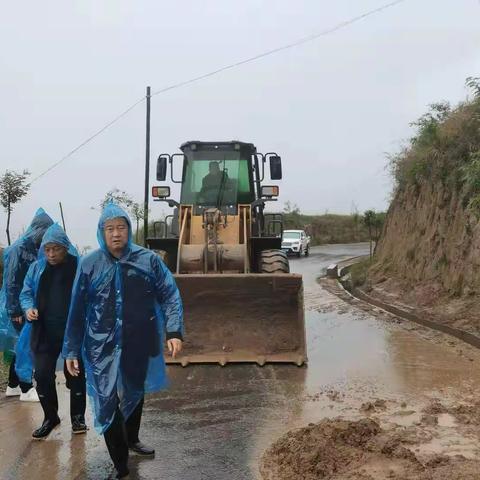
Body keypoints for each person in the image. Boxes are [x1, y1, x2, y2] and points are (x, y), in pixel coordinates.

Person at [62, 203, 184, 479]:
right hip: (99, 344)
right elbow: (76, 310)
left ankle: (132, 438)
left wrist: (174, 331)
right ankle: (120, 465)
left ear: (129, 230)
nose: (116, 234)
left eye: (121, 227)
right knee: (106, 401)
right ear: (101, 233)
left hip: (138, 338)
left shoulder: (148, 260)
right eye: (110, 229)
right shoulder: (89, 264)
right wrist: (70, 349)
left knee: (133, 390)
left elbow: (169, 294)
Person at [19, 223, 87, 439]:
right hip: (44, 332)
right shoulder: (37, 268)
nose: (51, 254)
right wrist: (28, 308)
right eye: (47, 250)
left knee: (76, 374)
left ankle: (78, 417)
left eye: (55, 249)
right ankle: (50, 417)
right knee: (42, 374)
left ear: (65, 247)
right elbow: (26, 292)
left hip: (71, 333)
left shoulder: (78, 267)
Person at [1, 208, 53, 401]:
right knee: (27, 345)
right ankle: (25, 387)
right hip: (18, 307)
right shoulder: (19, 249)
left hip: (27, 305)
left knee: (20, 344)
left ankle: (13, 385)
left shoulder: (36, 248)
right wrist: (15, 310)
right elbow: (12, 281)